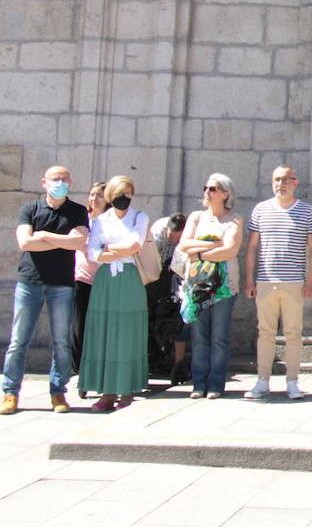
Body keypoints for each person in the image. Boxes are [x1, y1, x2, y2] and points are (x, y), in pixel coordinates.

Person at [2, 166, 90, 415]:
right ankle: (10, 392)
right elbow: (25, 243)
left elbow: (79, 243)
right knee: (19, 340)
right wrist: (61, 240)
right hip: (30, 282)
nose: (60, 182)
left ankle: (58, 392)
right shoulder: (30, 209)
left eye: (64, 179)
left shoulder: (78, 211)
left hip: (61, 283)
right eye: (55, 179)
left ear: (70, 181)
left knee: (61, 341)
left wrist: (44, 235)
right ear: (44, 182)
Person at [243, 165, 312, 399]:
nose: (281, 184)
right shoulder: (260, 210)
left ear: (295, 182)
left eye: (286, 179)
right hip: (266, 280)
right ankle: (262, 380)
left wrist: (310, 279)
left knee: (293, 333)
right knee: (265, 332)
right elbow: (253, 247)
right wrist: (249, 279)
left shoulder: (307, 212)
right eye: (277, 179)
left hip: (294, 281)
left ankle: (293, 381)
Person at [80, 175, 150, 411]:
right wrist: (110, 252)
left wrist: (107, 249)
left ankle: (127, 388)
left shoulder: (139, 217)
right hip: (106, 280)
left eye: (128, 194)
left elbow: (134, 245)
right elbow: (92, 253)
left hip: (129, 277)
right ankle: (106, 391)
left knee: (127, 332)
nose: (124, 198)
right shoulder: (100, 220)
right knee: (105, 331)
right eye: (120, 194)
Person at [177, 173, 244, 399]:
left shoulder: (235, 220)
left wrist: (199, 254)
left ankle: (216, 383)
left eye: (213, 189)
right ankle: (198, 383)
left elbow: (230, 250)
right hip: (197, 286)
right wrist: (210, 246)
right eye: (206, 188)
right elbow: (184, 244)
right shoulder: (196, 217)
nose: (207, 192)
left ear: (226, 194)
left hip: (223, 287)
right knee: (198, 336)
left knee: (219, 336)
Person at [72, 182, 106, 383]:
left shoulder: (109, 221)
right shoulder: (82, 219)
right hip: (83, 277)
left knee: (99, 326)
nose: (94, 199)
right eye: (92, 194)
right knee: (79, 324)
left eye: (100, 195)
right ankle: (78, 369)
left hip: (103, 278)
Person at [148, 213, 188, 385]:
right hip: (154, 270)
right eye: (173, 236)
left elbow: (179, 263)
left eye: (178, 237)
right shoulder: (158, 233)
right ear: (168, 230)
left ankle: (173, 357)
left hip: (173, 270)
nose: (175, 239)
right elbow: (153, 262)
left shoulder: (185, 236)